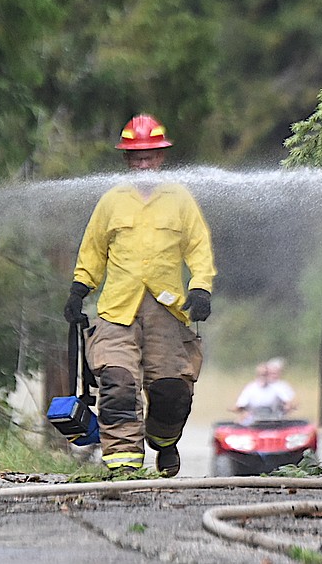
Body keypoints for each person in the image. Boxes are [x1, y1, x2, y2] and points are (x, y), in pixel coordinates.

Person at [63, 114, 217, 477]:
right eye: (136, 156)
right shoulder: (111, 201)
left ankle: (164, 442)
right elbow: (92, 251)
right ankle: (122, 469)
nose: (143, 163)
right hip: (117, 310)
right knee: (117, 385)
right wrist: (78, 289)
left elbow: (199, 248)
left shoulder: (180, 199)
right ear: (126, 159)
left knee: (171, 392)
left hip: (167, 311)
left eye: (149, 156)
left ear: (161, 157)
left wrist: (201, 288)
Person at [233, 357, 297, 424]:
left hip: (274, 421)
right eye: (261, 375)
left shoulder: (277, 388)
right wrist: (243, 412)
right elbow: (240, 405)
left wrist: (287, 407)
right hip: (253, 422)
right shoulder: (250, 388)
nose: (263, 377)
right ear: (257, 375)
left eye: (266, 374)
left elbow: (288, 403)